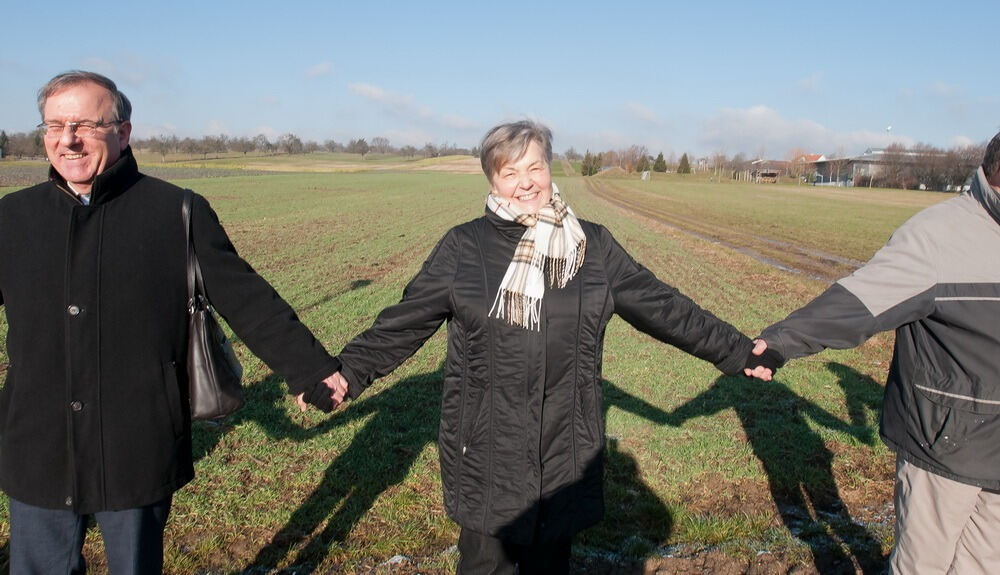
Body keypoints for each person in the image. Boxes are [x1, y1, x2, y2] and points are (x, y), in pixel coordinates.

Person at [319, 120, 763, 574]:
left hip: (563, 449)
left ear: (550, 168)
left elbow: (665, 308)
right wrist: (346, 373)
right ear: (493, 180)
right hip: (486, 452)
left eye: (534, 167)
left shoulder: (592, 248)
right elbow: (402, 325)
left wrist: (738, 351)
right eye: (510, 172)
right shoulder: (464, 248)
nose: (525, 182)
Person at [0, 70, 345, 574]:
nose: (67, 140)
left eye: (85, 125)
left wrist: (309, 367)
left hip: (135, 441)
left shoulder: (175, 211)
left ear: (123, 131)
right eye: (54, 125)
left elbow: (247, 298)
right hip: (38, 442)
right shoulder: (12, 218)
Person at [748, 132, 1000, 573]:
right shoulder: (939, 237)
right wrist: (779, 343)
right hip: (946, 448)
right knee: (921, 565)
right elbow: (858, 303)